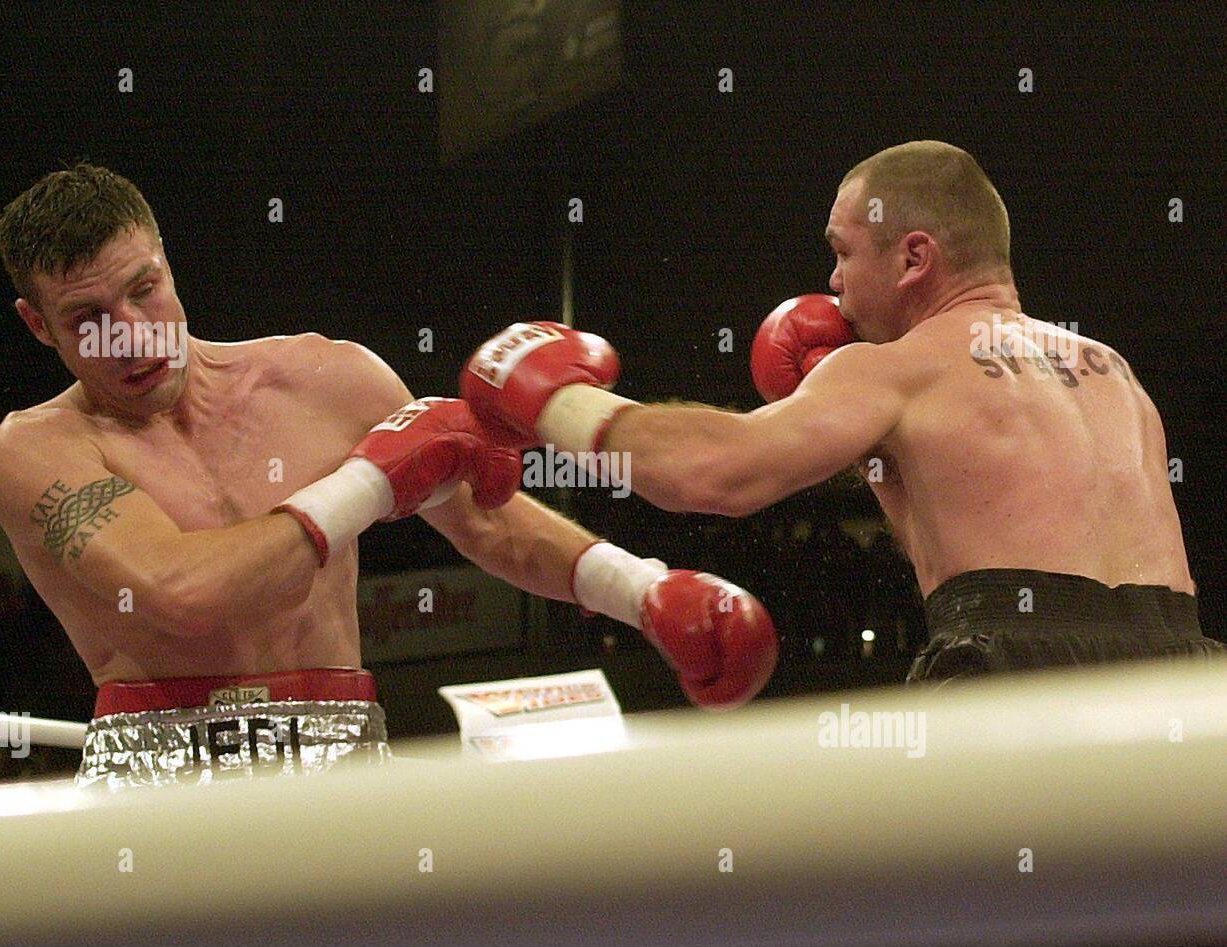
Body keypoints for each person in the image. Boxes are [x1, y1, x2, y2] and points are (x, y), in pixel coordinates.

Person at [0, 164, 777, 787]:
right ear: (36, 324)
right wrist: (370, 479)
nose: (130, 335)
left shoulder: (327, 379)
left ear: (167, 262)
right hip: (161, 761)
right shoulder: (36, 451)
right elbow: (181, 591)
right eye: (88, 319)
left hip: (341, 742)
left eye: (143, 289)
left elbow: (487, 518)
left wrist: (640, 589)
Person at [460, 141, 1224, 681]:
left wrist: (550, 395)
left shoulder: (893, 369)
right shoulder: (1114, 373)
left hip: (1013, 667)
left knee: (983, 912)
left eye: (843, 251)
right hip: (1182, 676)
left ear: (914, 258)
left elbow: (711, 473)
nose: (832, 281)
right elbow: (975, 538)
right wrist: (880, 462)